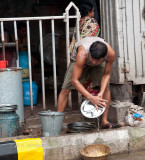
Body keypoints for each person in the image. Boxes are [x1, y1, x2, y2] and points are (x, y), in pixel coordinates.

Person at [57, 36, 117, 129]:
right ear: (90, 54)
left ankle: (104, 121)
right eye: (92, 59)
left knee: (105, 89)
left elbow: (106, 75)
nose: (93, 62)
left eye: (97, 60)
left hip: (98, 62)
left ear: (103, 57)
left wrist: (100, 93)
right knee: (65, 89)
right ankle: (58, 123)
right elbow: (74, 80)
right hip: (80, 62)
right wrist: (91, 97)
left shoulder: (110, 53)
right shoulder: (82, 53)